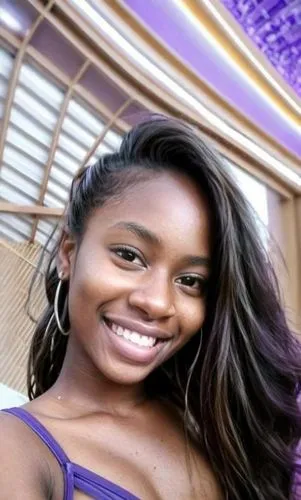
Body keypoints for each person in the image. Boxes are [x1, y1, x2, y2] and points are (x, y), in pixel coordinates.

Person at [0, 116, 300, 500]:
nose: (157, 303)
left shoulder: (221, 428)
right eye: (129, 256)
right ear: (69, 253)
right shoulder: (18, 449)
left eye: (190, 281)